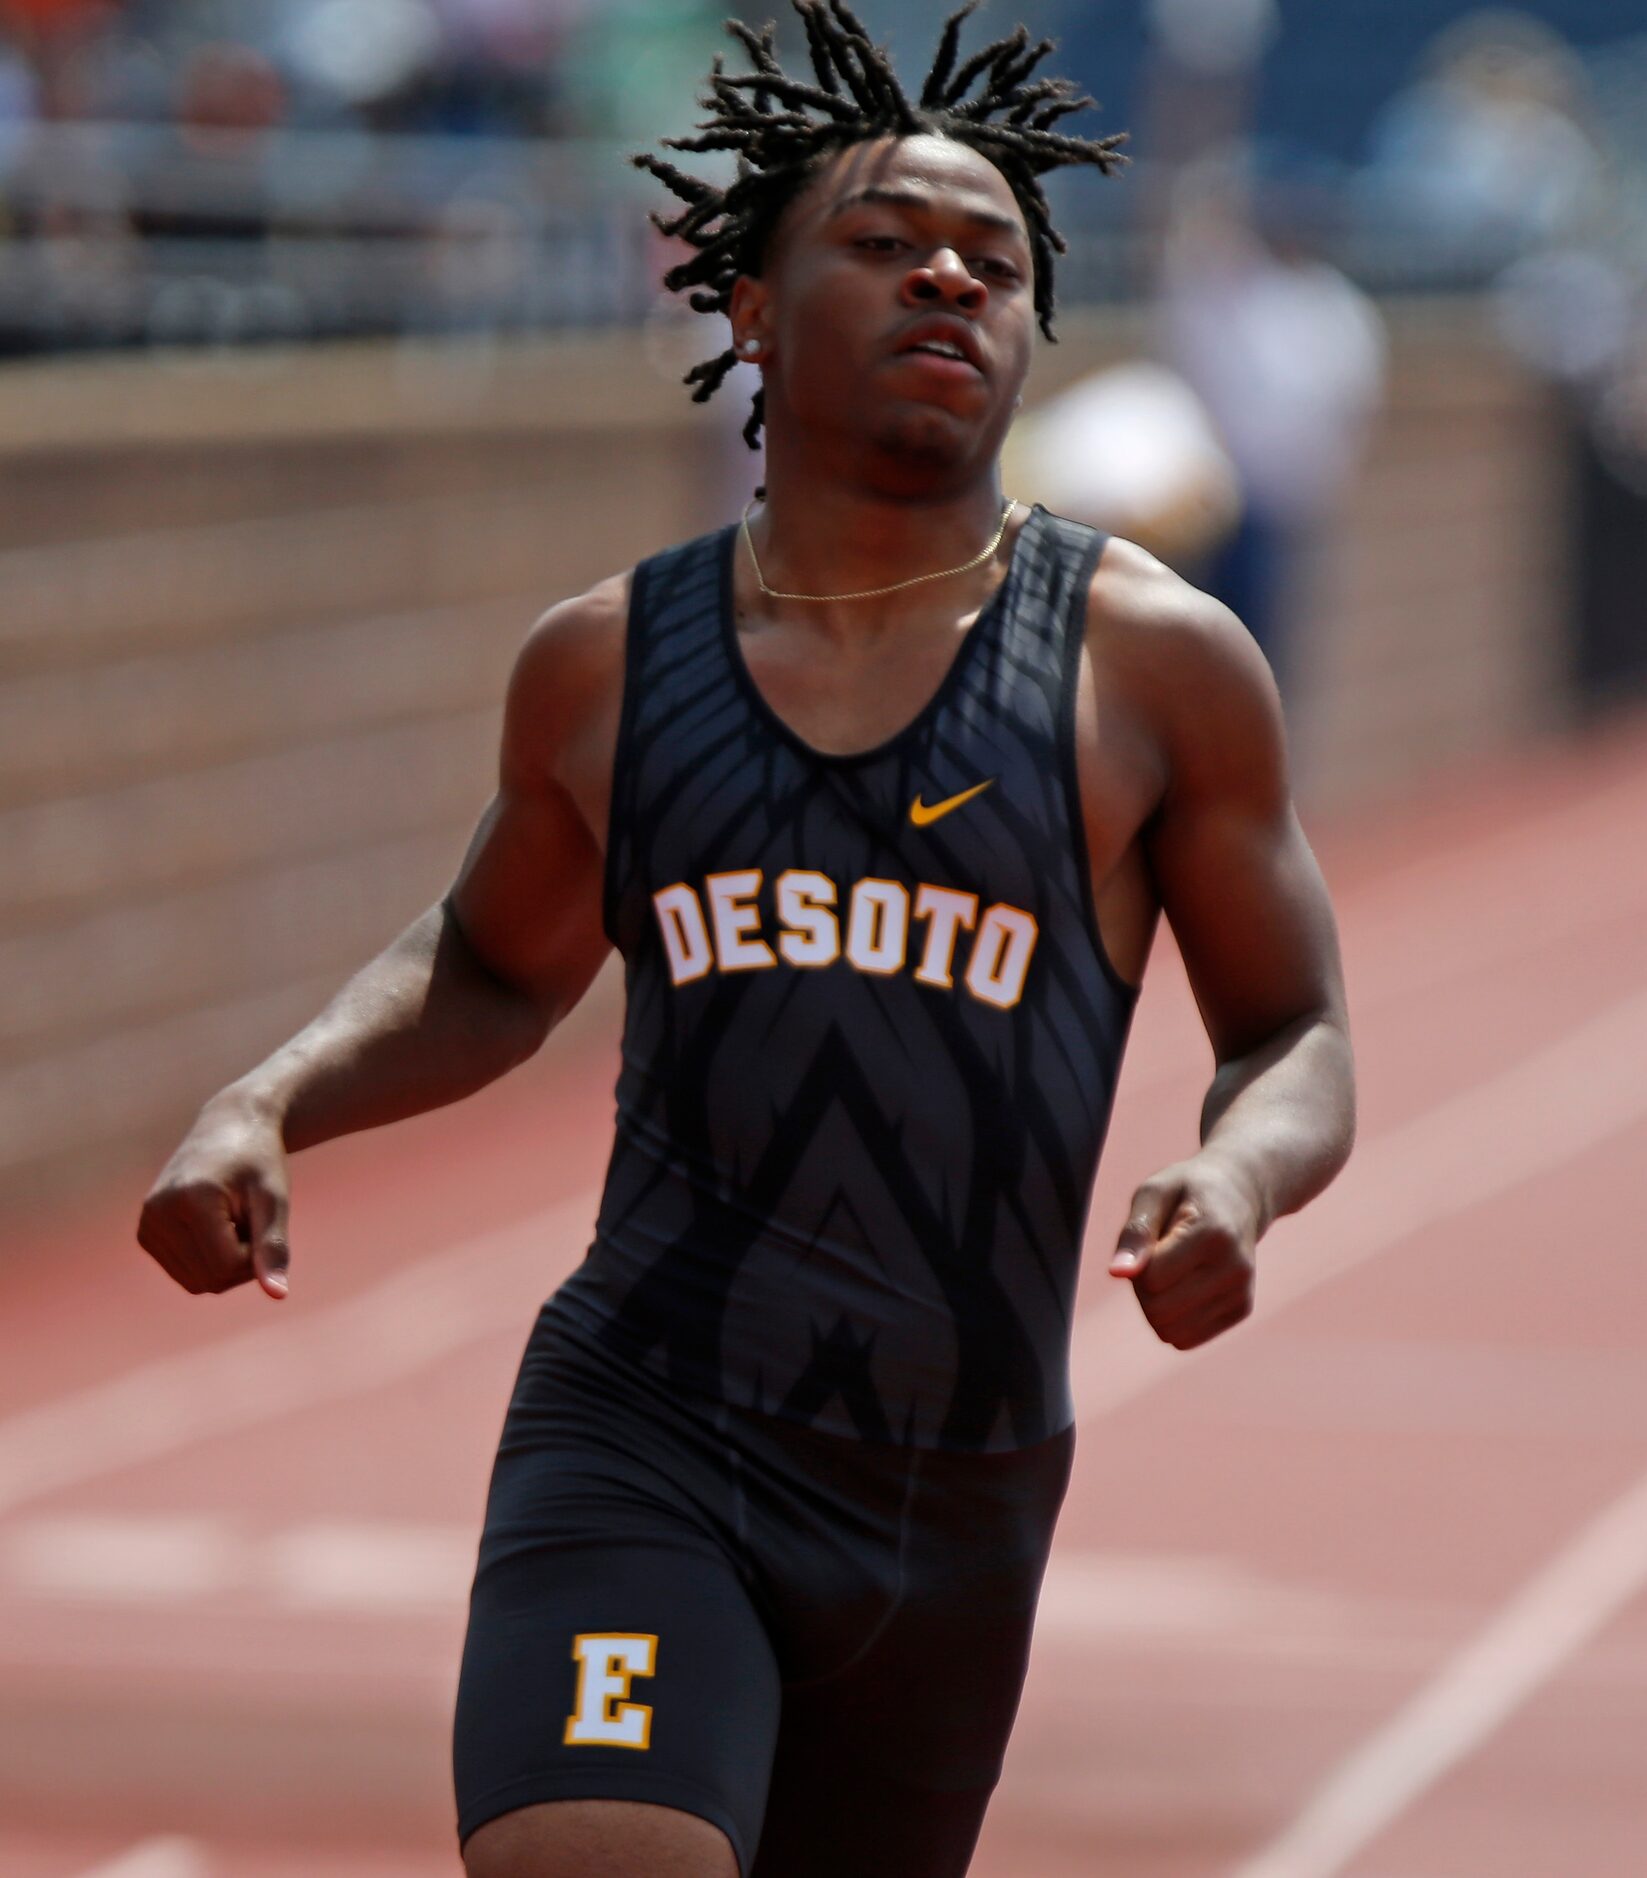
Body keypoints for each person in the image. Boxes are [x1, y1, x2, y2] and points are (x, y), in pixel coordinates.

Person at [136, 5, 1355, 1875]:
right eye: (883, 245)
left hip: (955, 1500)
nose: (950, 273)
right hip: (649, 1429)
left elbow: (1295, 1028)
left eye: (996, 262)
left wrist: (1241, 1178)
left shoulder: (1155, 665)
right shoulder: (611, 664)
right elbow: (490, 968)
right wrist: (267, 1100)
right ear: (753, 311)